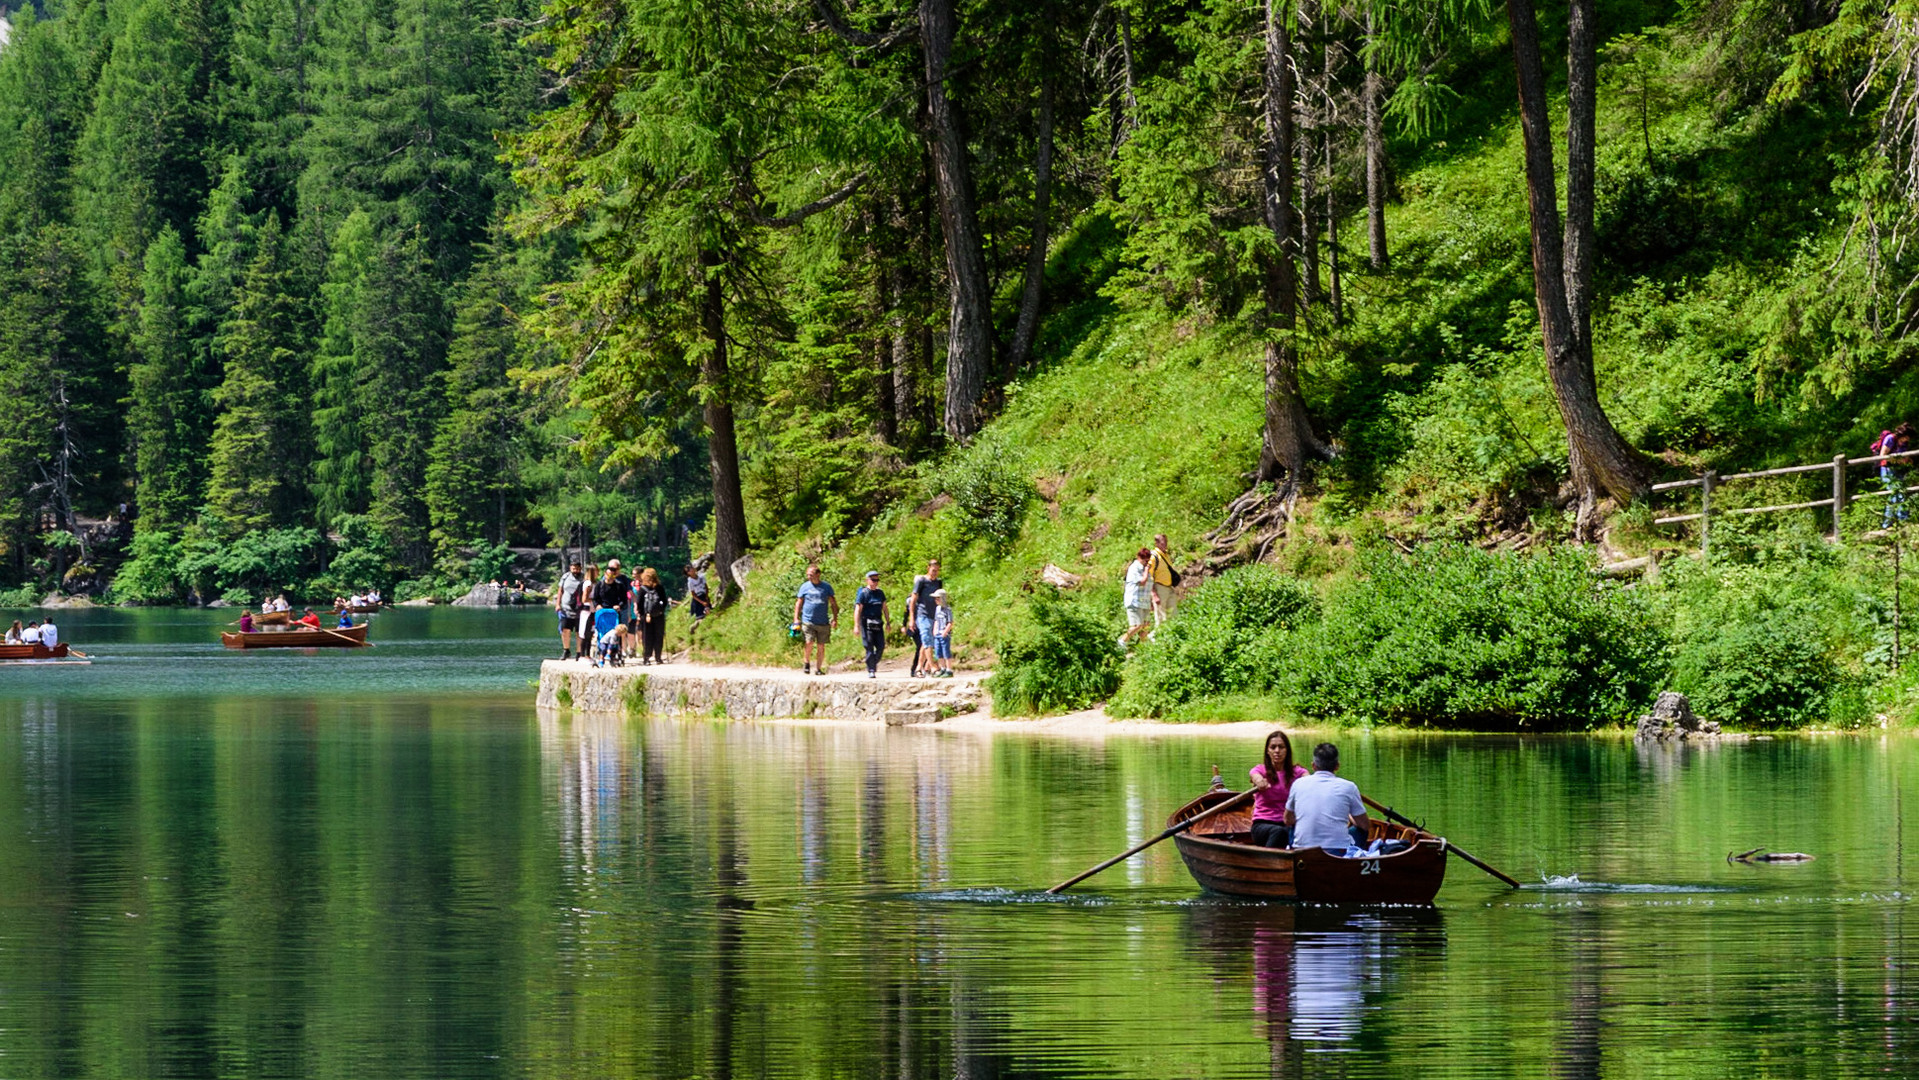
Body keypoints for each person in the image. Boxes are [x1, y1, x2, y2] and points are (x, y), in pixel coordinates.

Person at [1284, 743, 1373, 852]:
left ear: (1313, 766)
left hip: (1302, 853)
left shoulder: (1298, 784)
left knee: (1292, 827)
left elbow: (1287, 819)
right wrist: (1349, 816)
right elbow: (1365, 825)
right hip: (1337, 852)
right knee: (1362, 831)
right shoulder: (1349, 787)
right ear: (1337, 766)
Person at [1249, 730, 1308, 849]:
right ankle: (1267, 863)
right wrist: (1260, 781)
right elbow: (1255, 775)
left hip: (1288, 823)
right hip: (1262, 824)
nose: (1277, 751)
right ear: (1268, 751)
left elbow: (1309, 779)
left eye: (1281, 747)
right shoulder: (1260, 770)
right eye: (1273, 747)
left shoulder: (1297, 772)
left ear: (1287, 750)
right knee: (1279, 832)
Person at [792, 563, 839, 675]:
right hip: (808, 621)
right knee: (809, 642)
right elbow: (799, 603)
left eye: (811, 574)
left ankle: (818, 669)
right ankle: (806, 662)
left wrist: (835, 618)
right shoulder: (804, 587)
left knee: (821, 646)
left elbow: (833, 603)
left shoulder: (826, 587)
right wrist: (796, 618)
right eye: (807, 575)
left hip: (823, 621)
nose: (809, 577)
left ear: (818, 574)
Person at [909, 558, 943, 678]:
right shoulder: (921, 581)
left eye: (937, 570)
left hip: (934, 615)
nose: (935, 572)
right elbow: (913, 599)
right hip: (922, 615)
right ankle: (933, 667)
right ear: (928, 568)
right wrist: (911, 618)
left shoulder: (938, 582)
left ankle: (919, 668)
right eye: (933, 570)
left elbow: (940, 599)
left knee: (927, 642)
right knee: (927, 639)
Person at [1877, 423, 1915, 527]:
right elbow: (1883, 455)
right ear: (1903, 434)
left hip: (1897, 470)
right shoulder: (1890, 439)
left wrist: (1907, 460)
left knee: (1901, 493)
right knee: (1894, 495)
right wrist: (1898, 461)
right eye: (1907, 437)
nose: (1908, 439)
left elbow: (1903, 455)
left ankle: (1901, 521)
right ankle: (1889, 524)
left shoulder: (1903, 443)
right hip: (1887, 469)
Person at [855, 570, 890, 678]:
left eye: (877, 580)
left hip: (878, 622)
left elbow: (884, 608)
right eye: (873, 580)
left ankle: (872, 662)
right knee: (869, 645)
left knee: (881, 646)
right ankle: (871, 669)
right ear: (868, 580)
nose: (875, 582)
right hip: (866, 623)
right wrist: (856, 625)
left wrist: (888, 622)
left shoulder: (880, 593)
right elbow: (858, 609)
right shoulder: (863, 593)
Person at [1121, 548, 1156, 646]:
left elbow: (1149, 586)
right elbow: (1142, 582)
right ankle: (1122, 641)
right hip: (1134, 600)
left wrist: (1151, 601)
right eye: (1145, 560)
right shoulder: (1135, 568)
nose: (1147, 563)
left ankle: (1144, 646)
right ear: (1139, 558)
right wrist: (1146, 570)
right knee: (1137, 625)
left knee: (1146, 625)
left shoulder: (1146, 569)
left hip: (1144, 601)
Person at [636, 567, 669, 665]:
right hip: (659, 616)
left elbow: (639, 603)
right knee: (658, 636)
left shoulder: (642, 589)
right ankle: (658, 657)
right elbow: (665, 601)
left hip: (646, 617)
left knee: (647, 637)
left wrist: (643, 614)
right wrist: (660, 611)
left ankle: (646, 658)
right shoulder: (659, 587)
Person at [1148, 534, 1182, 623]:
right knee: (1160, 617)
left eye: (1166, 542)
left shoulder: (1165, 555)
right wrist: (1154, 594)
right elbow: (1148, 576)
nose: (1165, 544)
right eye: (1163, 542)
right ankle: (1159, 634)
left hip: (1169, 587)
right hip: (1160, 588)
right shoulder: (1154, 557)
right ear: (1157, 543)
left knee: (1173, 613)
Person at [557, 561, 586, 660]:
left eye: (577, 569)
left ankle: (579, 652)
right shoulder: (565, 577)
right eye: (574, 569)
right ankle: (566, 650)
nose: (575, 571)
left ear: (580, 568)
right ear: (570, 568)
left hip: (580, 609)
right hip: (566, 608)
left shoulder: (584, 577)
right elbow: (560, 591)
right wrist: (557, 604)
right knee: (565, 630)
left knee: (579, 631)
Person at [577, 563, 601, 659]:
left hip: (592, 611)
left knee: (590, 633)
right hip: (587, 611)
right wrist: (595, 600)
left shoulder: (595, 583)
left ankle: (587, 654)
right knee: (585, 633)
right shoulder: (588, 584)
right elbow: (584, 599)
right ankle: (583, 655)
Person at [931, 588, 955, 677]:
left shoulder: (948, 610)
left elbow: (950, 622)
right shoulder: (937, 609)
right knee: (938, 652)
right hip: (937, 634)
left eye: (938, 598)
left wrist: (945, 632)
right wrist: (934, 630)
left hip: (945, 634)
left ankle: (949, 669)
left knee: (946, 652)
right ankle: (942, 668)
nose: (936, 600)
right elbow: (936, 620)